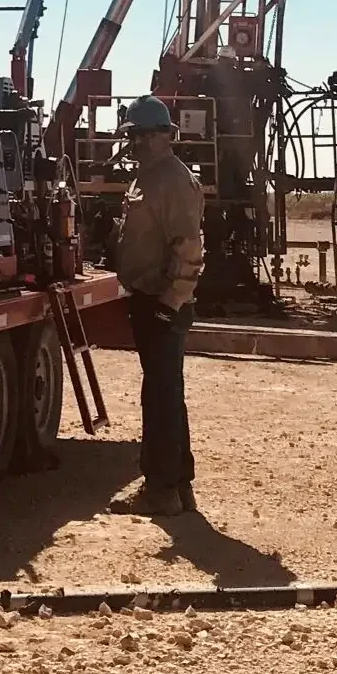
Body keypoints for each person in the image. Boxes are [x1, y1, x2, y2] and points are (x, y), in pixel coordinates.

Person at [109, 95, 203, 519]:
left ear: (168, 135)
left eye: (151, 134)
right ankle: (177, 486)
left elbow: (188, 247)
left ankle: (162, 490)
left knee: (161, 396)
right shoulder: (146, 179)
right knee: (166, 393)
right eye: (136, 135)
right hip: (150, 300)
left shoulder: (172, 180)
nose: (142, 142)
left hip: (162, 304)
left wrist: (170, 303)